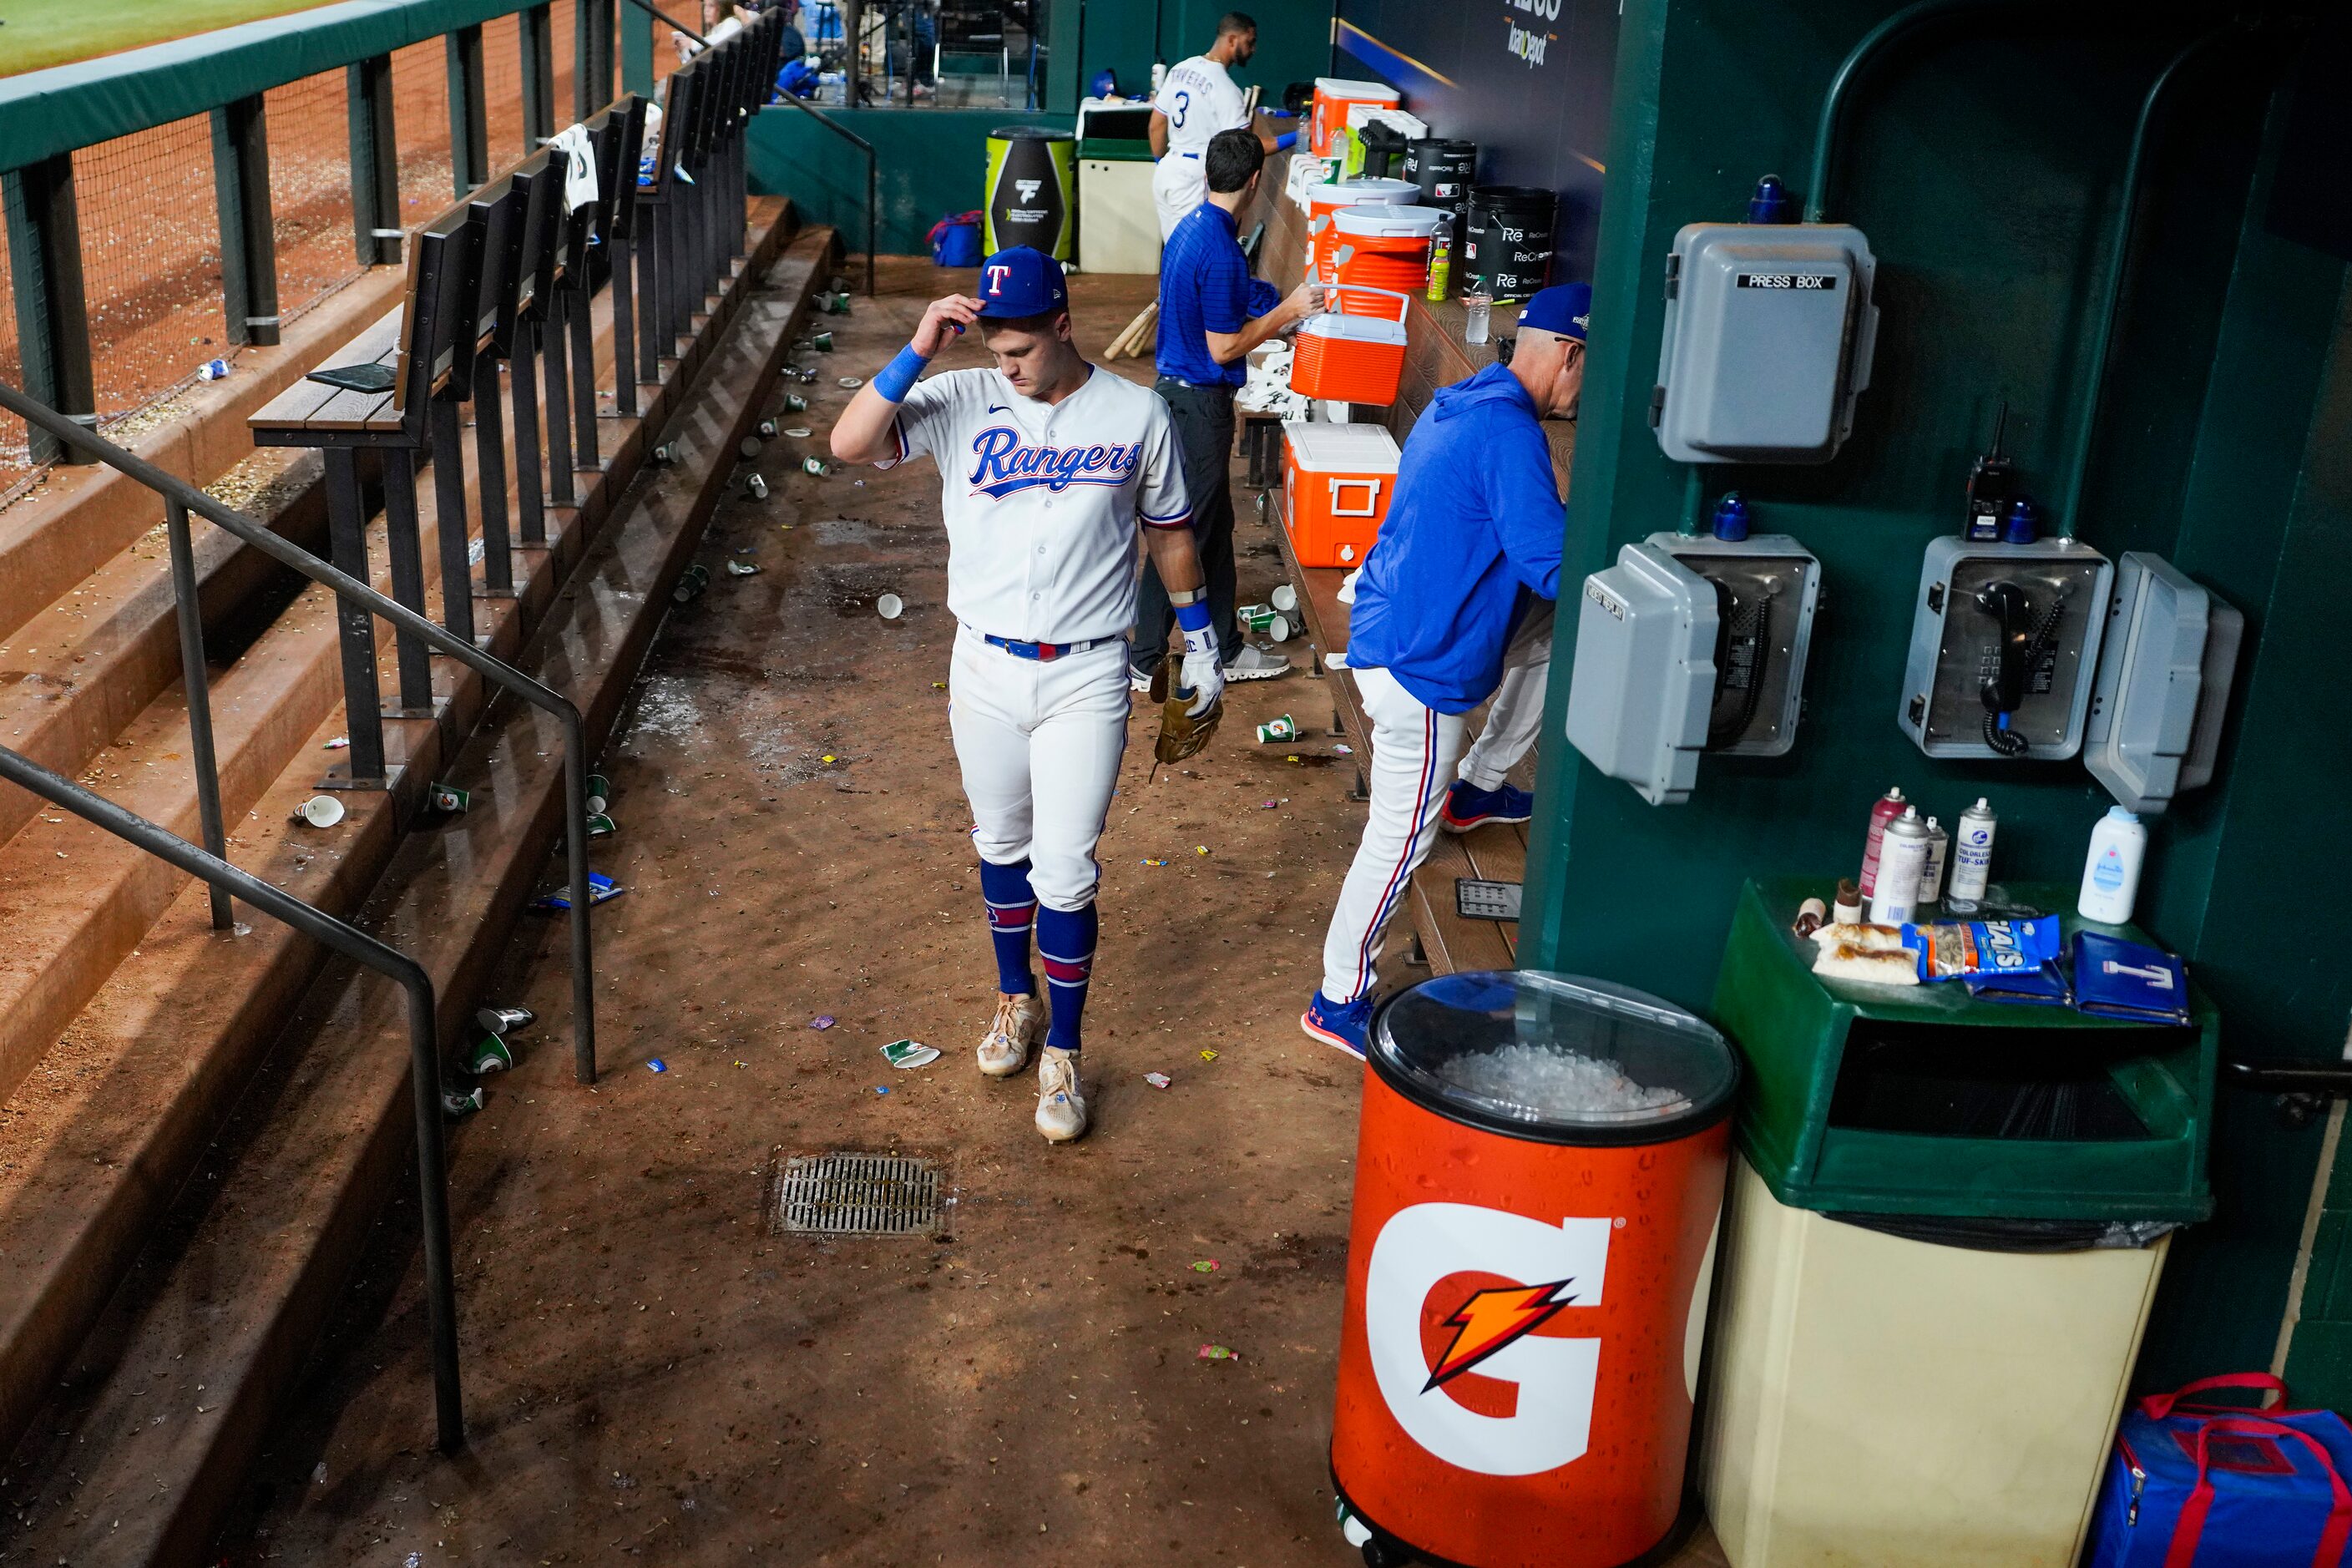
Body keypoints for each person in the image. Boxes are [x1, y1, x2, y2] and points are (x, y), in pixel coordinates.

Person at [830, 248, 1221, 1142]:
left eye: (1022, 351)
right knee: (999, 842)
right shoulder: (962, 398)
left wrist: (1199, 638)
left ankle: (1067, 1051)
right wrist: (921, 345)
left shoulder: (1136, 413)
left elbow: (1169, 536)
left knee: (1068, 869)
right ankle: (1017, 1000)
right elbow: (848, 444)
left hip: (1088, 673)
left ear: (1064, 326)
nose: (1006, 367)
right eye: (994, 349)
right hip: (983, 667)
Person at [1300, 282, 1591, 1056]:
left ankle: (1481, 785)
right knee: (1398, 839)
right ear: (1570, 354)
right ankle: (1337, 998)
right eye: (1588, 371)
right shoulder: (1507, 433)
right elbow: (1552, 561)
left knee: (1551, 631)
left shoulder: (1466, 398)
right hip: (1417, 670)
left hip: (1392, 615)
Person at [1133, 129, 1321, 691]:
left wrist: (1263, 303)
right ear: (1256, 180)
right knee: (1180, 533)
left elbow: (1217, 304)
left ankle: (1226, 646)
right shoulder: (1218, 250)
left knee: (1211, 527)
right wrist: (1287, 308)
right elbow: (1224, 347)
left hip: (1179, 396)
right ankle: (1144, 658)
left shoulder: (1195, 227)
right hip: (1196, 404)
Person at [1148, 12, 1294, 240]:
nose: (1253, 49)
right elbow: (1248, 148)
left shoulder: (1181, 68)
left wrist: (1161, 162)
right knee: (1194, 257)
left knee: (1175, 254)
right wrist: (1298, 135)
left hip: (1166, 171)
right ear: (1232, 40)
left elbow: (1156, 125)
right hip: (1193, 178)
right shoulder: (1225, 88)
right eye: (1249, 42)